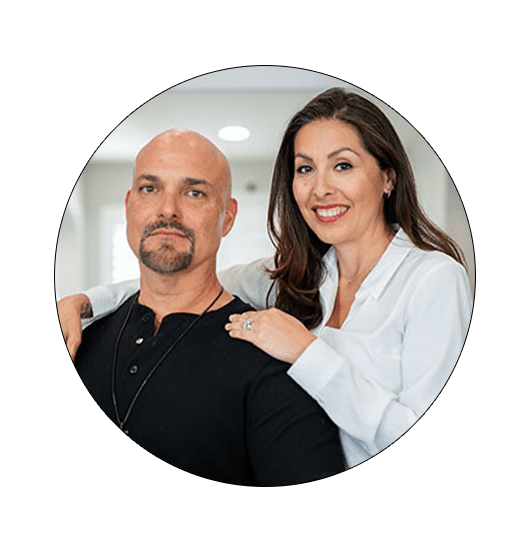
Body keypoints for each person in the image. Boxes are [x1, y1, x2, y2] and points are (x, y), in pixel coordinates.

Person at [58, 88, 473, 468]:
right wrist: (86, 303)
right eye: (305, 168)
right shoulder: (291, 275)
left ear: (388, 177)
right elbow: (178, 279)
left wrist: (307, 353)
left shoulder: (433, 281)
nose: (320, 188)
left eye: (342, 166)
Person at [69, 129, 346, 486]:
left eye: (194, 193)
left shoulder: (271, 363)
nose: (167, 209)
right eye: (150, 189)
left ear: (228, 216)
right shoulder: (80, 341)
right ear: (128, 205)